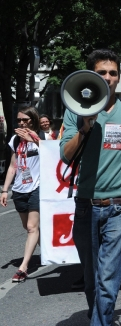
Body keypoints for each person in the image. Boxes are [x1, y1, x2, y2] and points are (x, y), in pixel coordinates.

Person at [60, 49, 121, 325]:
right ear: (91, 76)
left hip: (120, 206)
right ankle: (99, 316)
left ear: (119, 78)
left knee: (108, 277)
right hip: (86, 206)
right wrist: (85, 127)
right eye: (102, 73)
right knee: (92, 277)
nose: (108, 77)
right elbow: (66, 154)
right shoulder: (76, 110)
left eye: (113, 73)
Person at [1, 107, 42, 283]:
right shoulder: (15, 140)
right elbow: (12, 166)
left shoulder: (42, 139)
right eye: (19, 120)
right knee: (28, 227)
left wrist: (34, 139)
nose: (21, 123)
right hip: (19, 189)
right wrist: (5, 190)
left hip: (37, 187)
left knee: (33, 227)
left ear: (33, 120)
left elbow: (54, 155)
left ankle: (23, 267)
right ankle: (50, 250)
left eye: (25, 119)